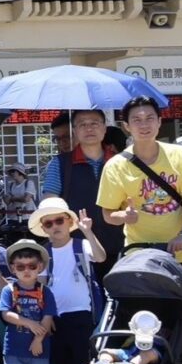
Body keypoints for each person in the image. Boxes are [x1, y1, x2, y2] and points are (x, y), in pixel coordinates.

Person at [28, 197, 104, 364]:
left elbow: (100, 257)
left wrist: (88, 231)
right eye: (48, 223)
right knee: (61, 362)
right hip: (55, 316)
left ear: (69, 221)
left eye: (59, 220)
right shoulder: (42, 252)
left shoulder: (82, 245)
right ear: (43, 228)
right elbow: (39, 287)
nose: (54, 226)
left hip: (82, 312)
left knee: (82, 361)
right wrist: (44, 317)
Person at [97, 96, 182, 262]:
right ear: (126, 126)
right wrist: (124, 216)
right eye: (137, 120)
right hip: (139, 255)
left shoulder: (181, 155)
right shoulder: (115, 166)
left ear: (159, 122)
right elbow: (108, 214)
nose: (144, 125)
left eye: (149, 118)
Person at [40, 109, 123, 263]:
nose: (89, 128)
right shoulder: (59, 164)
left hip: (121, 248)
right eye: (82, 124)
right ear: (75, 131)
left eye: (94, 123)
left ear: (104, 128)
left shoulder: (122, 162)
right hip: (77, 250)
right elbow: (49, 206)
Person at [0, 239, 56, 364]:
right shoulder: (9, 290)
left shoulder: (45, 292)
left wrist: (38, 339)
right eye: (21, 266)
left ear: (39, 267)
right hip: (14, 346)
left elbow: (47, 318)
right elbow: (6, 314)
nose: (26, 270)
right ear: (13, 269)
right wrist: (29, 322)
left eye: (31, 266)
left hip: (39, 348)